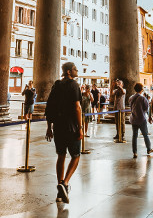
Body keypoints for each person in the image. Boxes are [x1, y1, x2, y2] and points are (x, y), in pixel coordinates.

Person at [45, 62, 84, 203]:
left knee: (61, 156)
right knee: (76, 156)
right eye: (75, 69)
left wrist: (49, 127)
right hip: (71, 126)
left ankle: (60, 192)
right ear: (68, 72)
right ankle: (65, 183)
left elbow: (49, 106)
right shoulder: (73, 84)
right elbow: (77, 107)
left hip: (58, 126)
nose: (77, 70)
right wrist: (80, 127)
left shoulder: (56, 85)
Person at [128, 83, 153, 158]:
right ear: (141, 89)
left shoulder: (131, 98)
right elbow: (146, 108)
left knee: (134, 136)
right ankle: (149, 149)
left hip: (133, 119)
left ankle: (135, 152)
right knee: (145, 135)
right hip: (141, 119)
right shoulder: (142, 98)